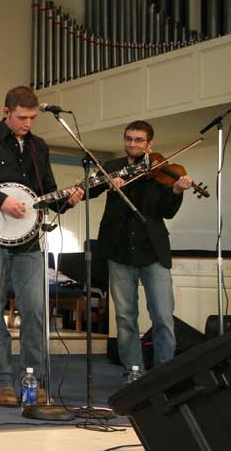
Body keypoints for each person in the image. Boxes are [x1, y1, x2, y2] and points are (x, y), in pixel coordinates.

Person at [0, 86, 83, 407]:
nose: (28, 123)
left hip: (29, 237)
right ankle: (2, 382)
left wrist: (67, 199)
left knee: (35, 310)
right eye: (22, 117)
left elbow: (48, 191)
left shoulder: (39, 147)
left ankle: (33, 380)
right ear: (6, 112)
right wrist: (2, 201)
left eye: (32, 118)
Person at [93, 120, 193, 374]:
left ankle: (163, 375)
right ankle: (134, 373)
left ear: (150, 144)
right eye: (129, 139)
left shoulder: (160, 169)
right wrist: (109, 183)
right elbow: (90, 190)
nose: (132, 144)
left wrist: (176, 191)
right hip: (118, 250)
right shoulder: (112, 168)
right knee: (125, 318)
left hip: (153, 251)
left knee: (163, 317)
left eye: (138, 140)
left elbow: (166, 212)